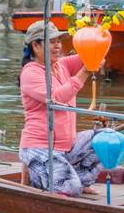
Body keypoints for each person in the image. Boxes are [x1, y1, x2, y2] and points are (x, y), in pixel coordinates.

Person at [17, 20, 102, 196]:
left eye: (58, 41)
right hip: (39, 146)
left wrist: (96, 35)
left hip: (66, 147)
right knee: (71, 189)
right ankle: (41, 178)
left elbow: (93, 54)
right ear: (36, 46)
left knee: (106, 139)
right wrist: (85, 72)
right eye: (52, 42)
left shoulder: (61, 65)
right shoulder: (30, 73)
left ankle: (76, 179)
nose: (57, 46)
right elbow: (57, 98)